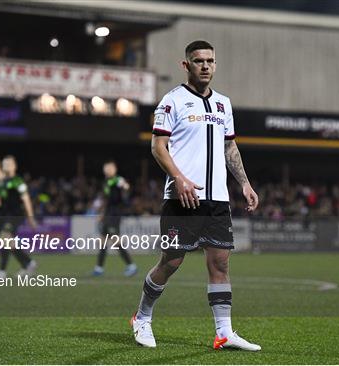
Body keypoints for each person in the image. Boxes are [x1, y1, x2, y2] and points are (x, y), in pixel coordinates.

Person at [130, 40, 261, 351]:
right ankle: (142, 318)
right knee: (171, 261)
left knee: (220, 264)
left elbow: (230, 147)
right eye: (198, 60)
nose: (205, 65)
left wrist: (244, 183)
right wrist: (179, 178)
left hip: (217, 200)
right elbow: (157, 147)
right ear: (185, 65)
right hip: (181, 199)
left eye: (210, 61)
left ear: (215, 65)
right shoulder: (172, 101)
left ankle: (224, 333)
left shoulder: (223, 104)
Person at [93, 160, 138, 277]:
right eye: (106, 168)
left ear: (114, 169)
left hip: (114, 214)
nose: (107, 170)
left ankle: (131, 265)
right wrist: (102, 214)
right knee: (103, 241)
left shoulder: (117, 179)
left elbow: (125, 186)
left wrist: (125, 186)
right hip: (108, 213)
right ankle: (99, 268)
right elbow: (107, 200)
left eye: (109, 168)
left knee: (115, 241)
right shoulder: (106, 182)